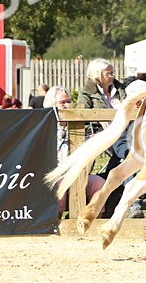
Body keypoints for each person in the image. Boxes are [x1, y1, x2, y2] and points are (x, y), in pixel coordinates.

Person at [44, 86, 105, 216]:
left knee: (99, 183)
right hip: (52, 175)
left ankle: (94, 219)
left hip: (78, 173)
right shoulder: (44, 128)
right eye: (62, 102)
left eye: (69, 101)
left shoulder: (80, 126)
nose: (67, 105)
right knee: (59, 183)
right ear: (51, 105)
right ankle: (57, 221)